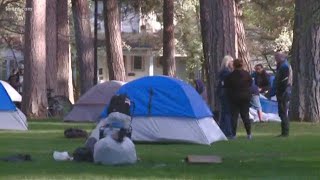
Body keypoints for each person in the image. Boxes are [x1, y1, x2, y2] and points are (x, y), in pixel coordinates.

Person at [224, 59, 253, 139]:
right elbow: (250, 84)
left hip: (234, 97)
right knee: (245, 115)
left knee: (234, 116)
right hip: (245, 97)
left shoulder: (230, 76)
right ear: (242, 65)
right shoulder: (247, 74)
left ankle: (233, 134)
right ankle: (249, 134)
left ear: (234, 65)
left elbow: (226, 86)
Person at [270, 52, 292, 137]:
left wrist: (274, 92)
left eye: (276, 58)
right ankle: (284, 132)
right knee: (282, 112)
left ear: (281, 58)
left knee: (283, 112)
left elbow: (283, 82)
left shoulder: (284, 67)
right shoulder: (282, 66)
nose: (275, 60)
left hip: (283, 92)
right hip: (283, 91)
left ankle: (285, 132)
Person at [217, 55, 234, 138]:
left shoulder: (222, 71)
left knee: (224, 112)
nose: (233, 63)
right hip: (226, 94)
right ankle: (228, 131)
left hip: (222, 93)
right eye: (232, 62)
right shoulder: (227, 72)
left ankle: (222, 130)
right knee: (227, 112)